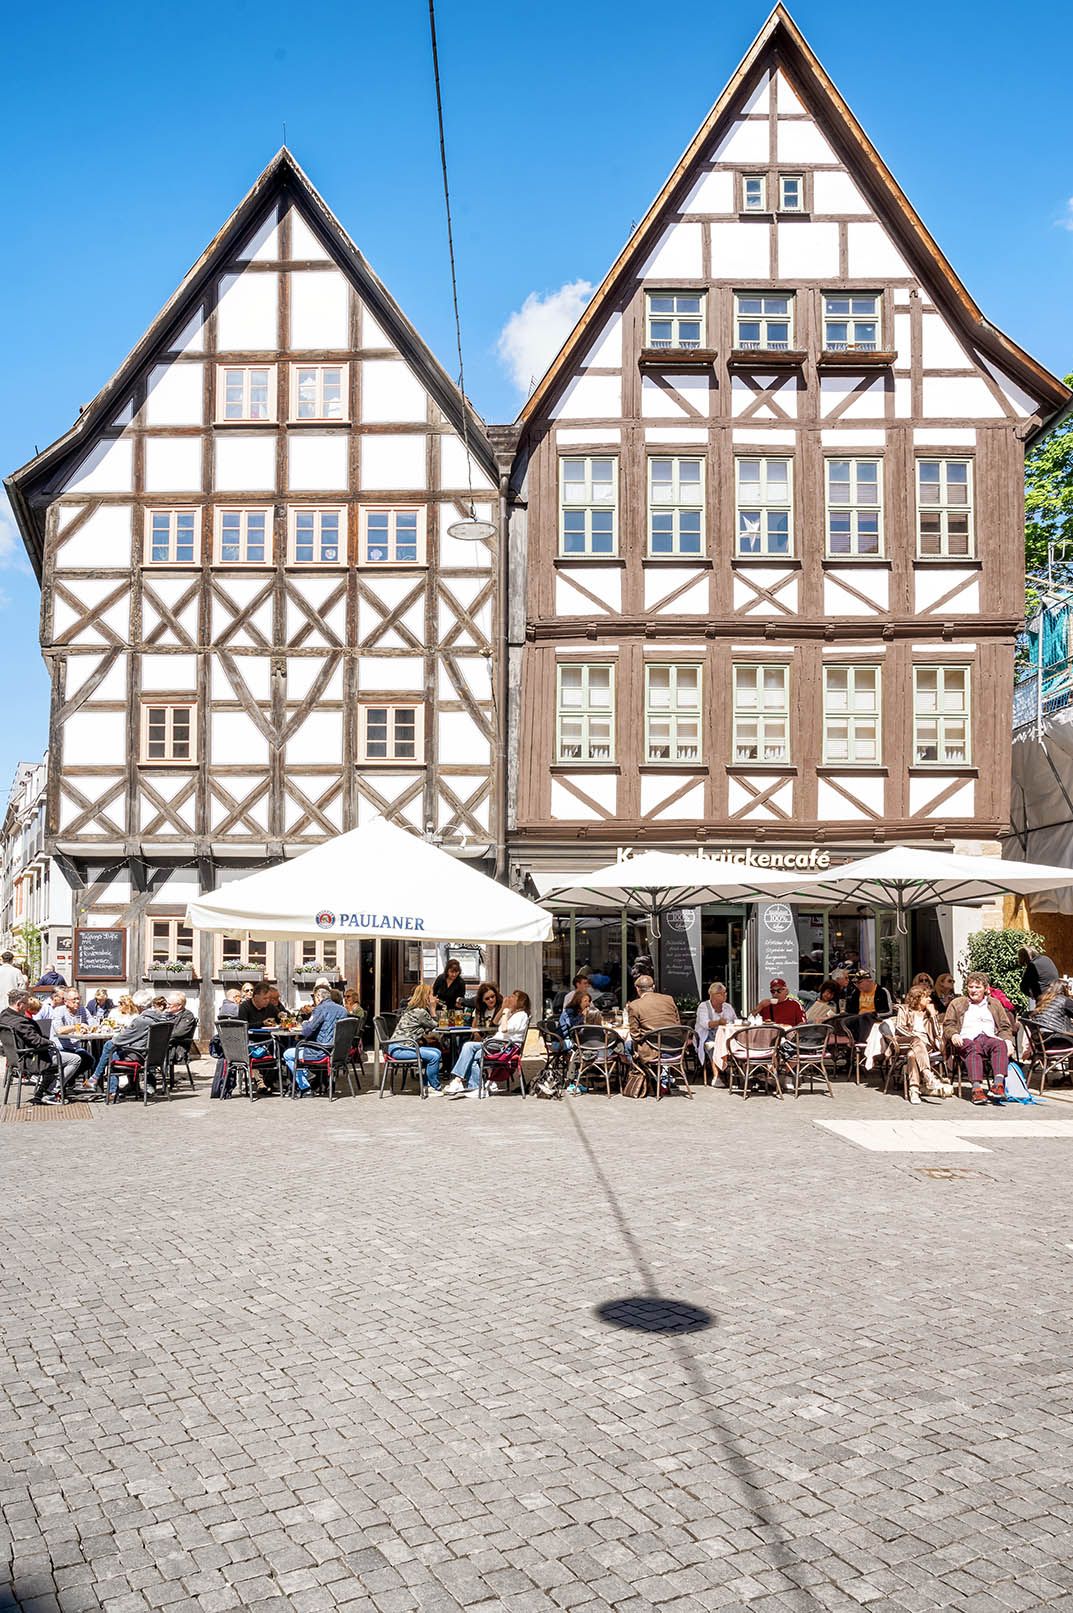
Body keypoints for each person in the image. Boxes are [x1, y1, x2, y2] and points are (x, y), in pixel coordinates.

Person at [943, 972, 1015, 1105]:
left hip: (988, 1037)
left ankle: (998, 1085)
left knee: (1000, 1045)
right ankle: (977, 1089)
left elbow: (1005, 1026)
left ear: (986, 989)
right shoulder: (957, 1003)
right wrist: (954, 1034)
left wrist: (1008, 1041)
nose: (973, 990)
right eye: (971, 987)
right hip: (966, 1038)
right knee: (973, 1048)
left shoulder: (994, 1004)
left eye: (977, 987)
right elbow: (948, 1024)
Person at [0, 989, 81, 1104]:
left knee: (57, 1057)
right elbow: (36, 1041)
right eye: (26, 1003)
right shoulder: (20, 1022)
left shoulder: (4, 1016)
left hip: (15, 1058)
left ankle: (41, 1092)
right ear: (19, 1004)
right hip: (29, 1059)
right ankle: (51, 1092)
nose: (28, 1006)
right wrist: (50, 1043)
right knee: (75, 1059)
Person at [445, 990, 531, 1098]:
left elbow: (504, 1029)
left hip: (504, 1047)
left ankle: (463, 1083)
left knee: (470, 1050)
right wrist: (504, 1009)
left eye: (513, 997)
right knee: (472, 1051)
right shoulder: (513, 1014)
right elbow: (495, 1022)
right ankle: (470, 1085)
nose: (509, 998)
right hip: (497, 1044)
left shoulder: (521, 1015)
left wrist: (505, 1013)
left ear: (520, 1001)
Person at [91, 993, 170, 1096]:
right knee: (114, 1050)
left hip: (140, 1055)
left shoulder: (141, 1020)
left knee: (110, 1047)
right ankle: (131, 1087)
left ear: (138, 1006)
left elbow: (119, 1039)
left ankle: (100, 1083)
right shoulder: (163, 1019)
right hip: (155, 1057)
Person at [282, 986, 348, 1094]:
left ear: (318, 997)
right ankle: (310, 1078)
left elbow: (306, 1031)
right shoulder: (343, 1010)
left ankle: (305, 1087)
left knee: (288, 1054)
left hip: (320, 1051)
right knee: (297, 1048)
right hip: (337, 1053)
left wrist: (305, 1023)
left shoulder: (320, 1009)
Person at [894, 984, 952, 1104]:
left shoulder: (929, 1013)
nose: (930, 999)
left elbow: (937, 1034)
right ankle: (927, 1075)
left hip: (925, 1046)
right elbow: (899, 1028)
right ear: (917, 998)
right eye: (926, 997)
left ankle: (914, 1090)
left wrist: (933, 1016)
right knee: (916, 1041)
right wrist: (915, 1037)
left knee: (912, 1055)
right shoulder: (904, 1009)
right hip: (906, 1042)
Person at [389, 984, 444, 1091]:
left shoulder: (414, 1009)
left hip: (400, 1046)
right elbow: (435, 1025)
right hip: (400, 1049)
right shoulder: (420, 1012)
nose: (434, 997)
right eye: (432, 995)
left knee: (437, 1052)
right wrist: (433, 1008)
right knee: (434, 1056)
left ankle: (427, 1084)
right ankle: (433, 1087)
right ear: (426, 997)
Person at [627, 974, 682, 1063]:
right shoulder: (669, 999)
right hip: (677, 1047)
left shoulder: (634, 1005)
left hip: (654, 1050)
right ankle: (662, 1072)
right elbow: (678, 1024)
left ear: (637, 988)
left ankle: (641, 1073)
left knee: (626, 1046)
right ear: (653, 986)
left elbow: (635, 1035)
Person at [238, 982, 280, 1096]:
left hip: (268, 1040)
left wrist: (282, 1015)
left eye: (268, 998)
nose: (267, 1001)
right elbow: (243, 1026)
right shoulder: (245, 1007)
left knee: (281, 1050)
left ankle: (267, 1083)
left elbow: (280, 1016)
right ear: (255, 997)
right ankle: (262, 1083)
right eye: (264, 998)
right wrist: (261, 1023)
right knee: (258, 1052)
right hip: (251, 1041)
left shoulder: (270, 1007)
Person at [694, 981, 737, 1063]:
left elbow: (735, 1021)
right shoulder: (703, 1006)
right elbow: (705, 1024)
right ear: (712, 995)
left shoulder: (728, 1007)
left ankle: (740, 1069)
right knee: (714, 1046)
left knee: (740, 1044)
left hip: (726, 1036)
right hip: (707, 1036)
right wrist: (718, 1022)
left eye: (725, 993)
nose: (724, 995)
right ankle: (716, 1074)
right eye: (720, 994)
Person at [1029, 978, 1073, 1048]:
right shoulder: (1065, 1000)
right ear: (1065, 988)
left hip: (1040, 1042)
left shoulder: (1043, 1000)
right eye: (1069, 988)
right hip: (1057, 1040)